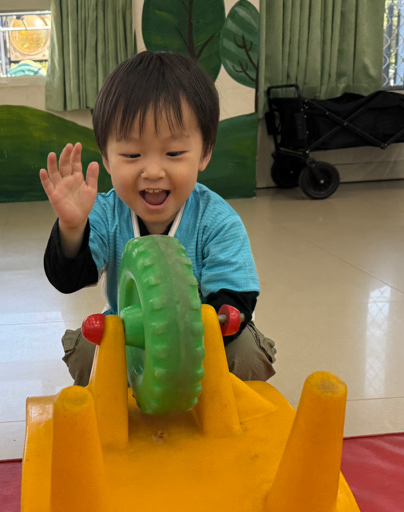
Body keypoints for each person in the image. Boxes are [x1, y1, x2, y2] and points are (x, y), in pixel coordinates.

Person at [40, 50, 276, 387]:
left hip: (201, 341)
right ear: (106, 158)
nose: (152, 171)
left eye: (174, 153)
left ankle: (217, 405)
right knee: (86, 357)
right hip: (132, 336)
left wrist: (186, 343)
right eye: (132, 154)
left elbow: (235, 296)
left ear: (204, 153)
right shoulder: (105, 214)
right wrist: (73, 227)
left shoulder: (217, 220)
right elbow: (67, 279)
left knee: (248, 355)